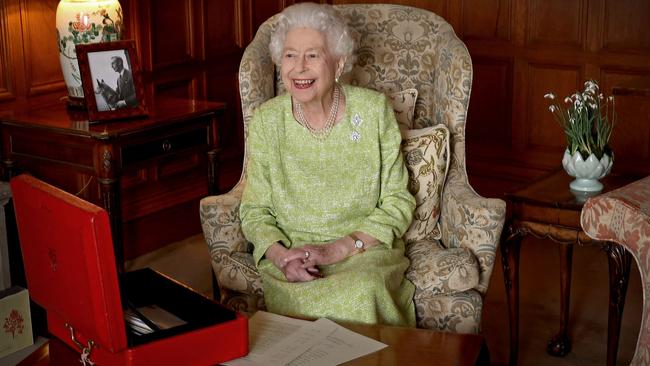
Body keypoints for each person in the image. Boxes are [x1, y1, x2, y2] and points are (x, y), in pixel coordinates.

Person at [239, 2, 416, 327]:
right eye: (290, 55)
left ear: (338, 64)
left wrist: (338, 250)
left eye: (313, 55)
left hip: (363, 251)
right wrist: (281, 258)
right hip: (293, 256)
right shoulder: (267, 120)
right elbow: (254, 211)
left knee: (363, 293)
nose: (299, 68)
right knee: (299, 307)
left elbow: (397, 201)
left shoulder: (374, 111)